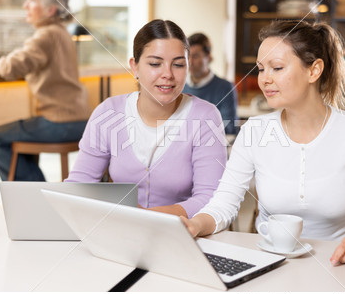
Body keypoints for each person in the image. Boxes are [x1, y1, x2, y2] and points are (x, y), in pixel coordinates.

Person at [181, 20, 345, 266]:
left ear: (314, 71)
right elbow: (224, 204)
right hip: (269, 264)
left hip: (339, 264)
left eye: (277, 67)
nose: (264, 79)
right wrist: (195, 223)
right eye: (261, 69)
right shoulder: (254, 130)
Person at [66, 19, 227, 218]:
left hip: (181, 235)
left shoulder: (205, 117)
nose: (167, 74)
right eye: (155, 64)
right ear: (134, 67)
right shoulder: (109, 112)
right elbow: (80, 185)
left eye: (178, 64)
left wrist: (145, 216)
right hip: (120, 232)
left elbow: (210, 198)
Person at [0, 0, 90, 181]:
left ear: (50, 10)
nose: (25, 5)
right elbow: (23, 62)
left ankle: (36, 197)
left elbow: (11, 67)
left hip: (57, 122)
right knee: (19, 138)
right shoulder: (61, 33)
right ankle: (35, 196)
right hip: (79, 121)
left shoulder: (45, 35)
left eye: (32, 0)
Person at [182, 33, 238, 135]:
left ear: (208, 57)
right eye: (187, 56)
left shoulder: (226, 87)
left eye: (195, 56)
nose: (190, 62)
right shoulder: (180, 87)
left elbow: (230, 127)